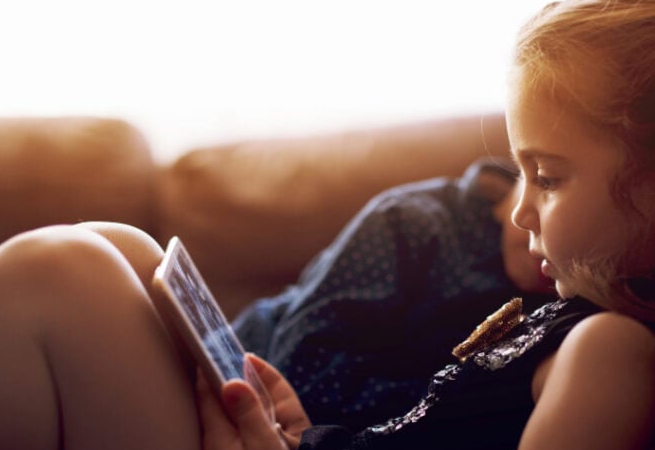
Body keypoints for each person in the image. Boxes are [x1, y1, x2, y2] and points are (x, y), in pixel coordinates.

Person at [0, 0, 655, 450]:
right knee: (122, 251)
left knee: (62, 272)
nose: (517, 208)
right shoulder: (569, 329)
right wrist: (309, 441)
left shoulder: (613, 359)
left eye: (549, 177)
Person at [232, 158, 556, 429]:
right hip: (250, 369)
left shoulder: (572, 300)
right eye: (547, 186)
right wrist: (463, 400)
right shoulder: (409, 223)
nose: (549, 248)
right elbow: (304, 371)